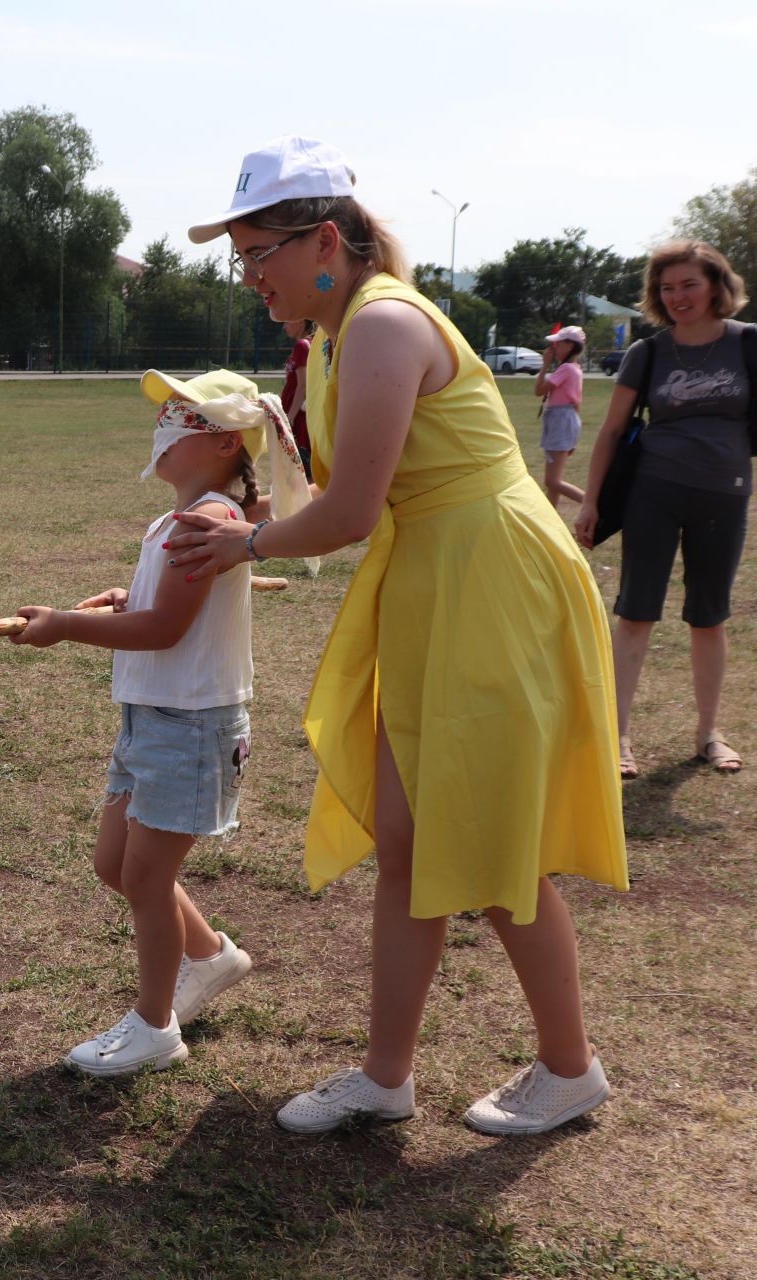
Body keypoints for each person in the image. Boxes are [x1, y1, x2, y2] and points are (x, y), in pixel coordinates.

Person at [166, 136, 628, 1136]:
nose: (251, 279)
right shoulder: (335, 335)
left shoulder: (378, 323)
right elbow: (341, 491)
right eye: (239, 260)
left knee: (495, 839)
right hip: (434, 578)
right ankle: (386, 1073)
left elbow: (351, 514)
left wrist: (246, 540)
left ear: (324, 238)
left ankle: (569, 1066)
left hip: (488, 582)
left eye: (259, 256)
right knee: (413, 843)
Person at [12, 368, 311, 1077]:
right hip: (150, 716)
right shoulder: (179, 519)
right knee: (115, 866)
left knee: (146, 877)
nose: (162, 427)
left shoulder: (211, 519)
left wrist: (67, 626)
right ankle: (209, 956)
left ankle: (155, 1028)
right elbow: (167, 604)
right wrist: (127, 594)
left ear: (223, 442)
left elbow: (167, 630)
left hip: (193, 725)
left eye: (181, 415)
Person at [575, 241, 751, 777]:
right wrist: (591, 502)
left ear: (717, 286)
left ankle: (707, 734)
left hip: (725, 493)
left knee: (710, 616)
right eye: (666, 288)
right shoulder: (647, 353)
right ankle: (619, 736)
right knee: (636, 613)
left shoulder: (748, 345)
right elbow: (609, 432)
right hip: (654, 491)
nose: (677, 296)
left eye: (689, 285)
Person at [533, 325, 587, 512]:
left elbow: (538, 391)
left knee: (552, 481)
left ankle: (592, 505)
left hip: (560, 420)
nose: (554, 347)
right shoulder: (574, 368)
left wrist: (545, 366)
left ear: (570, 345)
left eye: (558, 343)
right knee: (553, 482)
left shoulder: (566, 370)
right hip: (565, 419)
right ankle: (550, 521)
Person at [279, 318, 315, 481]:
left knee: (300, 468)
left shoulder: (302, 345)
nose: (284, 326)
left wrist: (290, 417)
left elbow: (303, 385)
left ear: (300, 322)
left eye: (287, 322)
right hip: (303, 413)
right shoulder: (313, 342)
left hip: (298, 416)